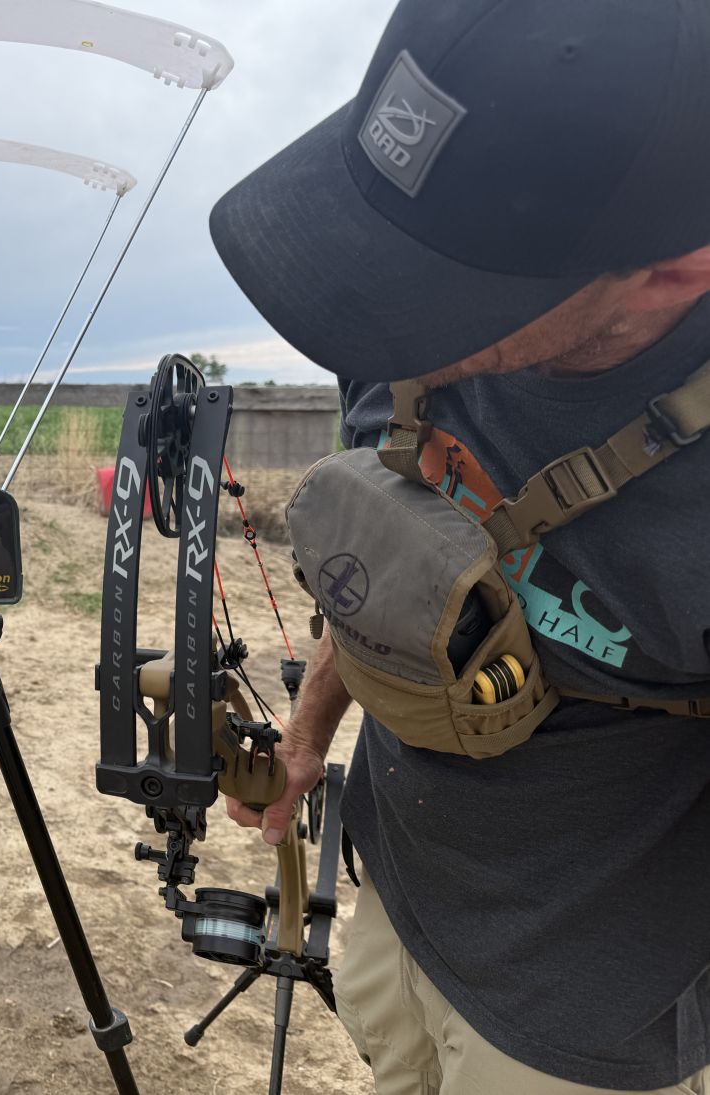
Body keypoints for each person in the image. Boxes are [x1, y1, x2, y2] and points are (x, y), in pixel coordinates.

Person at [209, 1, 710, 1092]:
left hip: (578, 1025)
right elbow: (399, 565)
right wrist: (305, 736)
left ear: (673, 273)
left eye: (446, 293)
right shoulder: (387, 301)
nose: (373, 323)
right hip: (394, 893)